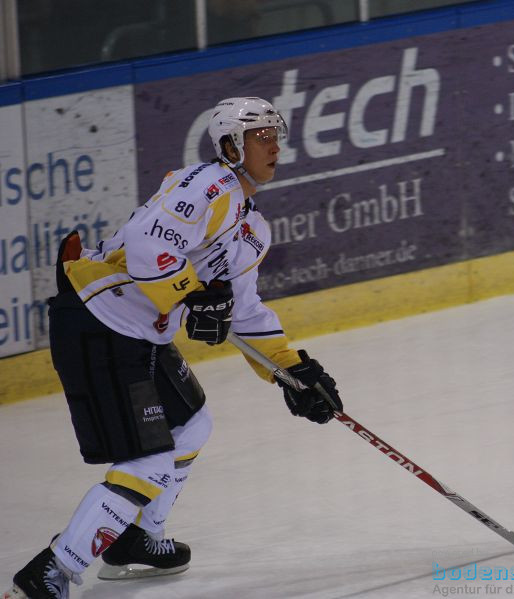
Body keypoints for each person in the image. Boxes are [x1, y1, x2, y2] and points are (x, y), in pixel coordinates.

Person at [3, 97, 343, 599]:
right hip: (101, 321)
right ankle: (51, 572)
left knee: (192, 426)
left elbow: (244, 314)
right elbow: (144, 245)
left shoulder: (253, 230)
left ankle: (134, 538)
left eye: (277, 135)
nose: (274, 146)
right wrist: (194, 293)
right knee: (150, 462)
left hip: (139, 335)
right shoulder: (207, 183)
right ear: (230, 146)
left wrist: (294, 373)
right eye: (261, 137)